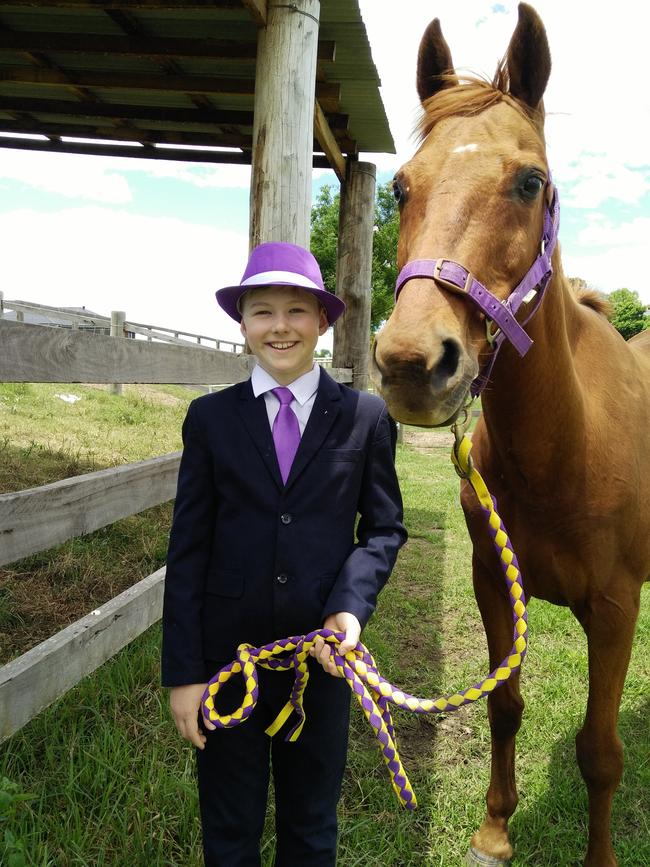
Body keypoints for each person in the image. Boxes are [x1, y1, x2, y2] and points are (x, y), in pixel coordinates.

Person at [161, 241, 406, 867]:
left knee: (311, 822)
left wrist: (347, 611)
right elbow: (188, 549)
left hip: (321, 665)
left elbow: (382, 529)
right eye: (262, 311)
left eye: (296, 311)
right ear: (242, 325)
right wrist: (185, 673)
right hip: (227, 663)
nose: (280, 327)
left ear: (322, 322)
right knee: (229, 824)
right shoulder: (210, 419)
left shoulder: (364, 417)